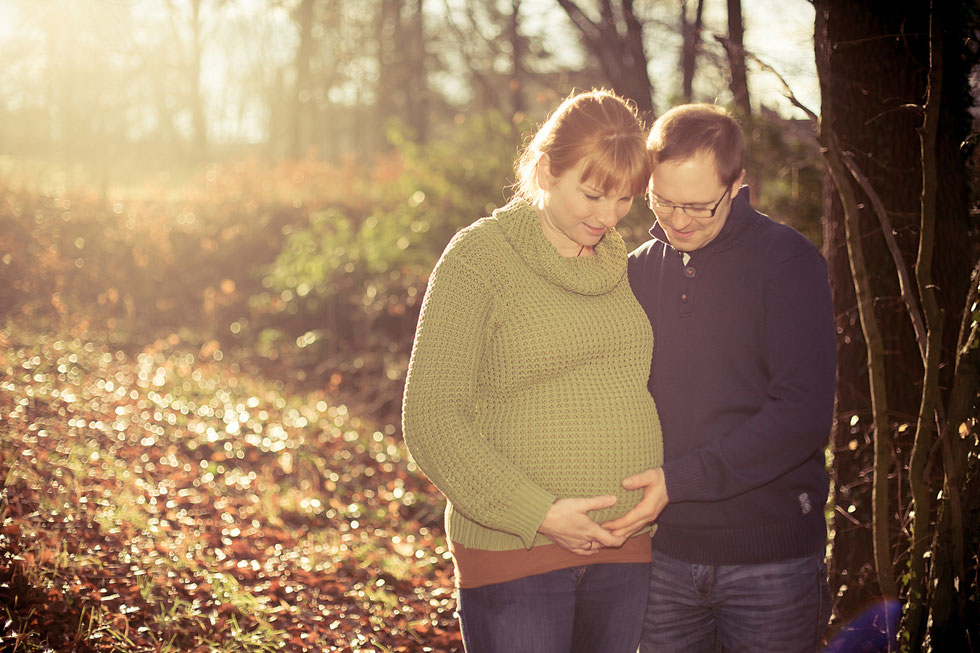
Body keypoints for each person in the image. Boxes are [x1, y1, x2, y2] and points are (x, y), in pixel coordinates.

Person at [401, 89, 663, 653]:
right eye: (592, 194)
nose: (608, 215)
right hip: (514, 555)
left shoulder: (624, 264)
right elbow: (431, 419)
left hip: (626, 552)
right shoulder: (480, 258)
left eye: (623, 199)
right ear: (546, 170)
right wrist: (539, 513)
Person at [602, 103, 836, 652]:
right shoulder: (636, 269)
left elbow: (802, 415)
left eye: (698, 207)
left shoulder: (787, 263)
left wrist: (681, 481)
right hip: (661, 558)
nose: (678, 221)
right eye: (662, 202)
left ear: (737, 187)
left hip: (770, 560)